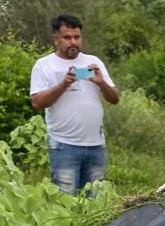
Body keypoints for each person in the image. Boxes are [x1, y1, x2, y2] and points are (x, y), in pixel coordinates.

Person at [30, 14, 120, 195]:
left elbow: (115, 98)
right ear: (55, 39)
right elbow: (37, 102)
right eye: (67, 37)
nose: (73, 42)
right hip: (65, 146)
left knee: (96, 203)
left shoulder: (93, 62)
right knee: (65, 202)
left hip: (96, 145)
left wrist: (101, 83)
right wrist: (64, 84)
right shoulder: (44, 65)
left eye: (77, 37)